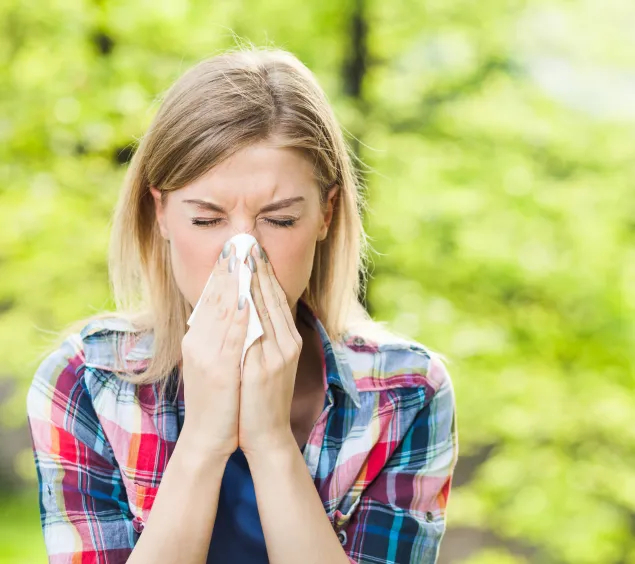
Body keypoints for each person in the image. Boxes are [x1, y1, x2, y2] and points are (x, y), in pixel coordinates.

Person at [26, 46, 459, 564]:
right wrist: (205, 439)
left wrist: (272, 442)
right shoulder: (85, 383)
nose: (244, 254)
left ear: (327, 213)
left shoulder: (408, 392)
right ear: (159, 212)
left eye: (279, 220)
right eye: (207, 220)